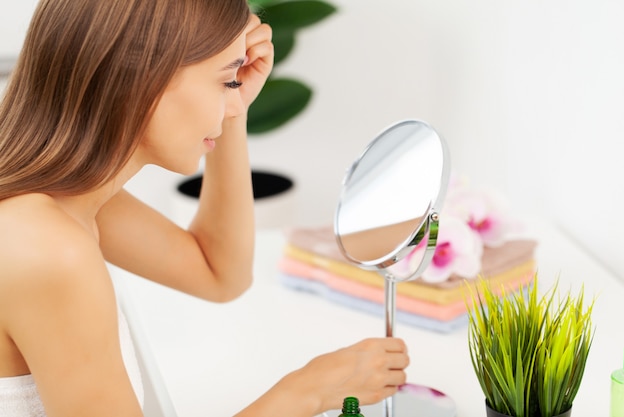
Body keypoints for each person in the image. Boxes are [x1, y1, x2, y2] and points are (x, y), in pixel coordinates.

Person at [0, 0, 410, 415]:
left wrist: (233, 111)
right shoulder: (47, 247)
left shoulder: (60, 203)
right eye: (227, 81)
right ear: (142, 80)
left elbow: (219, 273)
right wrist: (309, 391)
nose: (235, 99)